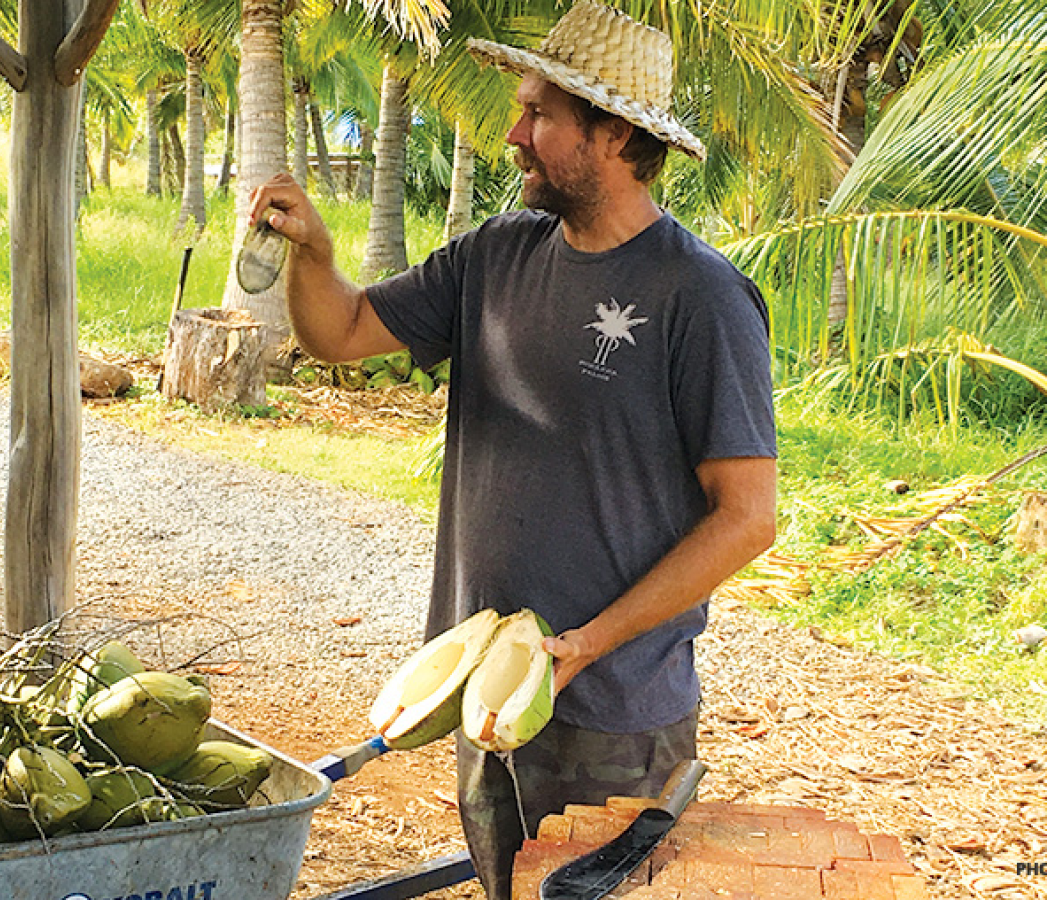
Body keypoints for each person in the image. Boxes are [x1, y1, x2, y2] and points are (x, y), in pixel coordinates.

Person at [247, 2, 777, 897]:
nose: (512, 132)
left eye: (538, 114)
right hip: (485, 694)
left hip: (612, 714)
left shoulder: (700, 296)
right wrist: (313, 253)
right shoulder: (496, 253)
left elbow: (746, 518)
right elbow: (341, 333)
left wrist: (586, 646)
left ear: (611, 134)